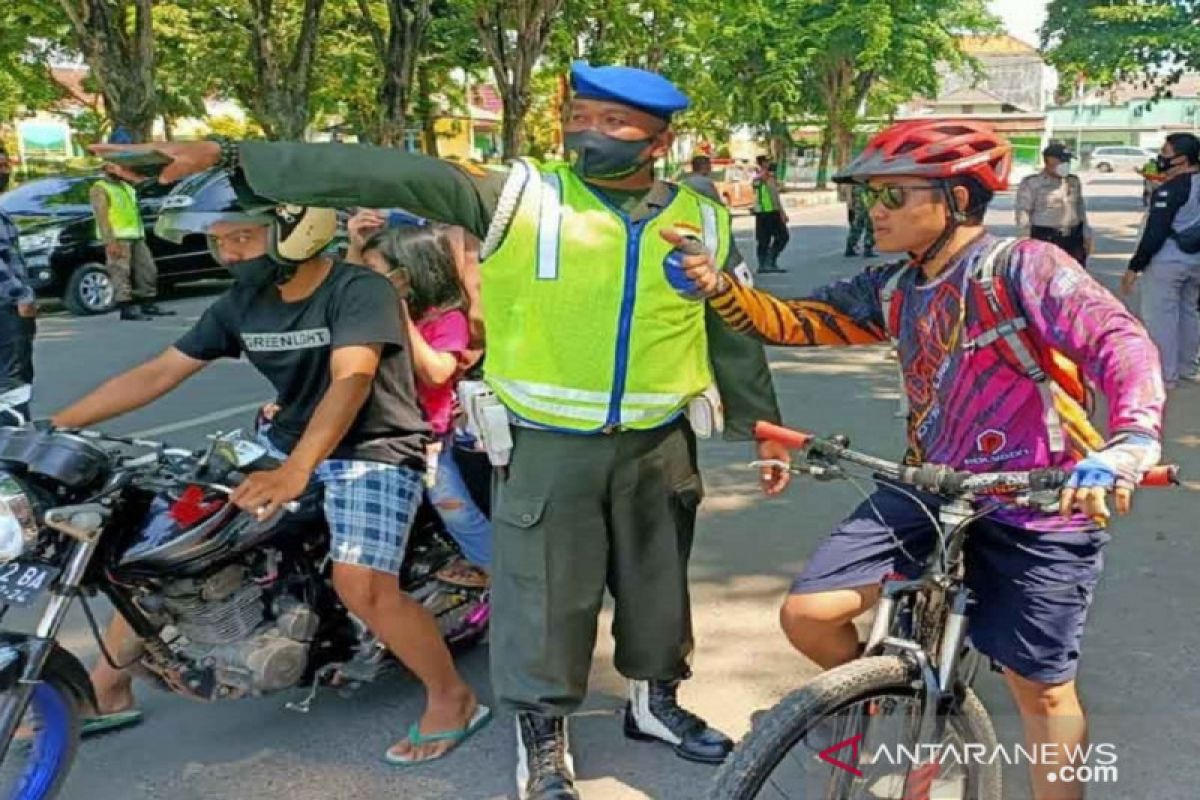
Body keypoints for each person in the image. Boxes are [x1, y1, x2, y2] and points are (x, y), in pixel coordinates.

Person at [92, 60, 791, 800]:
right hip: (548, 445)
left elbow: (732, 323)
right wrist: (236, 157)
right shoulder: (517, 196)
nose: (589, 134)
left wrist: (765, 425)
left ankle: (656, 704)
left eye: (612, 124)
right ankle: (542, 736)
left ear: (659, 139)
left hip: (658, 443)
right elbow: (388, 175)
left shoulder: (703, 218)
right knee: (546, 597)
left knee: (657, 587)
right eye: (580, 116)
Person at [682, 119, 1166, 800]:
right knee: (809, 614)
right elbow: (791, 321)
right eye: (869, 197)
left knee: (1043, 695)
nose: (873, 212)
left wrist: (1131, 439)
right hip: (930, 485)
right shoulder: (895, 286)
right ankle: (875, 691)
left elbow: (1119, 341)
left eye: (893, 197)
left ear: (957, 199)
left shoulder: (1024, 266)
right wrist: (716, 287)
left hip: (1042, 499)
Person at [52, 171, 487, 765]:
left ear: (295, 230)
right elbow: (159, 372)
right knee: (159, 548)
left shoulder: (360, 289)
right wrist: (54, 427)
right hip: (283, 444)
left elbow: (352, 381)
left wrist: (296, 470)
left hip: (376, 448)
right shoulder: (242, 303)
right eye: (221, 240)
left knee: (362, 585)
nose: (228, 252)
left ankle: (451, 698)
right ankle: (107, 688)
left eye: (242, 238)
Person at [356, 219, 493, 580]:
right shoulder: (377, 310)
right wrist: (356, 245)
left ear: (406, 276)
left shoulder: (446, 320)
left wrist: (401, 317)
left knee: (452, 507)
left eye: (375, 272)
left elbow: (436, 372)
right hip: (383, 430)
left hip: (428, 435)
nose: (368, 282)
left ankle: (494, 568)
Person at [1121, 132, 1200, 389]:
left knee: (1161, 316)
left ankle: (1165, 375)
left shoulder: (1172, 189)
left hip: (1168, 260)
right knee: (1189, 311)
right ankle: (1187, 367)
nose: (1160, 159)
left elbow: (1156, 231)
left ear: (1182, 160)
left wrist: (1135, 266)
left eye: (1165, 155)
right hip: (1196, 259)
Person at [90, 164, 174, 320]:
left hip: (136, 235)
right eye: (114, 166)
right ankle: (126, 308)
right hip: (118, 237)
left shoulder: (125, 186)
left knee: (148, 269)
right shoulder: (100, 188)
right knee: (120, 272)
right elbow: (102, 217)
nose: (120, 169)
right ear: (106, 168)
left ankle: (147, 302)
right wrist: (110, 241)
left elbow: (146, 183)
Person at [1015, 142, 1093, 267]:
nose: (1066, 164)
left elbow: (1080, 208)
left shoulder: (1073, 181)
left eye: (1068, 161)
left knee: (1075, 277)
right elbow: (1023, 213)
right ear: (1048, 161)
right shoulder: (1032, 183)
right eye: (1062, 160)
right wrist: (1025, 242)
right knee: (1045, 277)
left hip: (1073, 238)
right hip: (1046, 237)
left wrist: (1087, 235)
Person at [0, 209, 36, 425]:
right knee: (13, 385)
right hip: (5, 307)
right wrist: (20, 295)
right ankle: (12, 448)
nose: (7, 172)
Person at [752, 161, 789, 273]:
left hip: (764, 213)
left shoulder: (766, 179)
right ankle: (767, 262)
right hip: (769, 213)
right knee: (782, 236)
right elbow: (775, 199)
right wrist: (782, 213)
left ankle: (765, 263)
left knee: (765, 239)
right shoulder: (761, 179)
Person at [843, 182, 876, 258]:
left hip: (860, 194)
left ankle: (850, 246)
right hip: (867, 193)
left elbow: (849, 184)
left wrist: (849, 200)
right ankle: (868, 247)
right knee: (870, 222)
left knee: (858, 221)